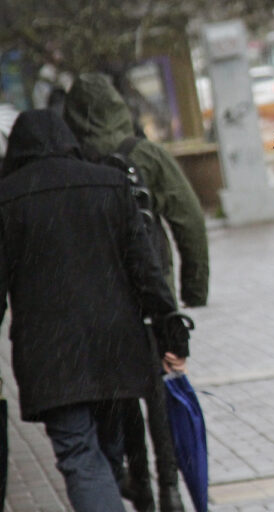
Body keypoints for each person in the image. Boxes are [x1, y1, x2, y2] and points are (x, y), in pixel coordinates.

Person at [0, 110, 190, 512]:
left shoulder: (8, 199)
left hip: (49, 355)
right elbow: (145, 269)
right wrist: (171, 329)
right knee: (107, 448)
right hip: (115, 346)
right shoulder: (109, 183)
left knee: (79, 455)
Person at [63, 72, 209, 512]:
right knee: (160, 391)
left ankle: (139, 483)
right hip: (154, 292)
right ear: (119, 108)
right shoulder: (145, 155)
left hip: (103, 299)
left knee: (123, 395)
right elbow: (189, 222)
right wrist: (191, 289)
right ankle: (169, 490)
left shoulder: (74, 161)